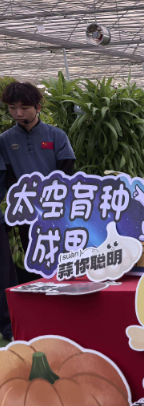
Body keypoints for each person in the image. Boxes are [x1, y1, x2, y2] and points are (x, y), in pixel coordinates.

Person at [0, 81, 75, 340]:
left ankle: (68, 309)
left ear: (38, 107)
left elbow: (66, 170)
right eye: (12, 108)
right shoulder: (6, 140)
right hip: (27, 213)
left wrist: (54, 200)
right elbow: (9, 178)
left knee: (62, 259)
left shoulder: (56, 136)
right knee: (34, 260)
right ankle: (42, 313)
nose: (18, 113)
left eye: (24, 107)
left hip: (57, 210)